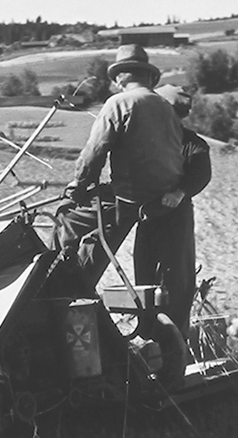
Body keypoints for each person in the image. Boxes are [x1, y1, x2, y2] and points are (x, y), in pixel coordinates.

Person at [53, 44, 184, 287]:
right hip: (164, 199)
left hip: (131, 198)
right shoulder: (166, 106)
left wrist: (76, 188)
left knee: (67, 219)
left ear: (120, 76)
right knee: (102, 219)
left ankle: (61, 284)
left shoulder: (119, 103)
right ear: (148, 76)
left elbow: (94, 153)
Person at [135, 84, 211, 340]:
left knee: (175, 282)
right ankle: (147, 340)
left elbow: (201, 173)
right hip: (147, 218)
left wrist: (179, 193)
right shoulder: (147, 142)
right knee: (144, 280)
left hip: (175, 220)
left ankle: (173, 346)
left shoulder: (192, 144)